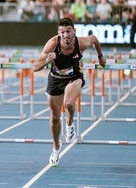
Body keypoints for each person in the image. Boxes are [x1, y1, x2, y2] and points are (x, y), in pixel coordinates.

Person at [33, 17, 106, 166]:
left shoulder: (81, 43)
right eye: (62, 32)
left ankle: (70, 123)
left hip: (75, 77)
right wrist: (47, 60)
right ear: (58, 33)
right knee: (54, 118)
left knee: (69, 104)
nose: (65, 35)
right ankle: (56, 147)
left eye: (68, 31)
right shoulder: (52, 44)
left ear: (74, 31)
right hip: (55, 79)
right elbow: (35, 67)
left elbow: (94, 39)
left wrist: (100, 56)